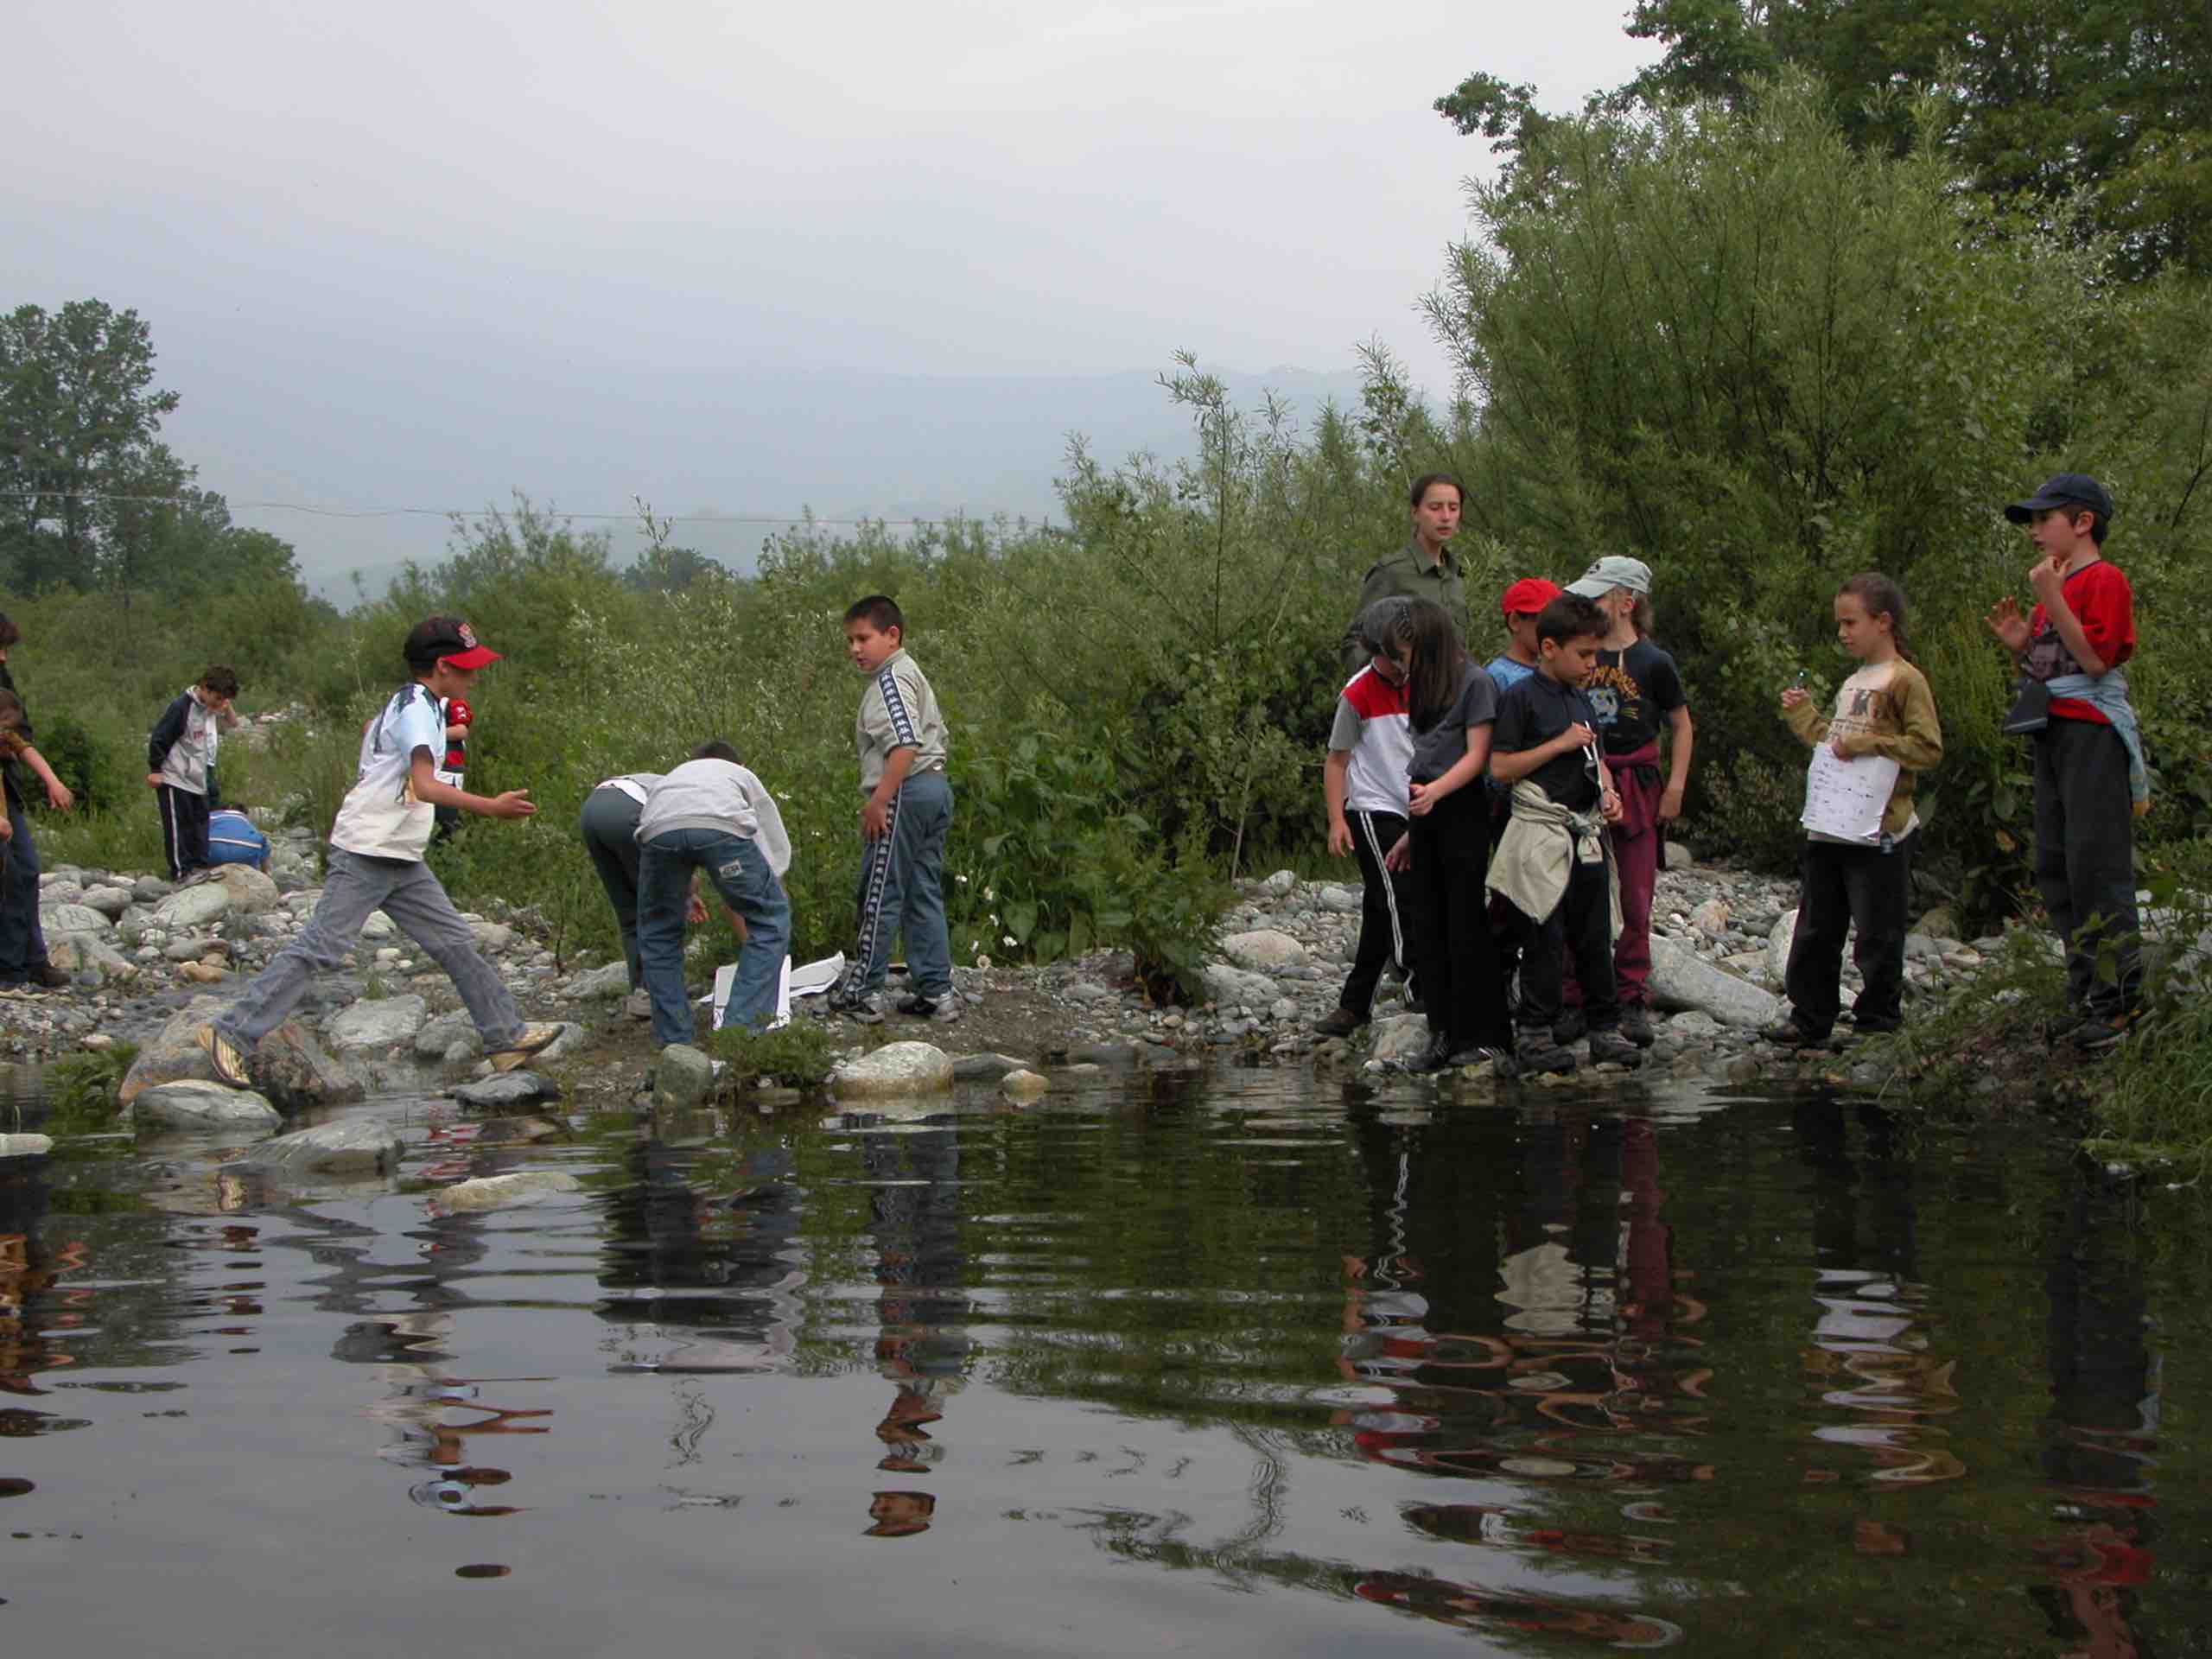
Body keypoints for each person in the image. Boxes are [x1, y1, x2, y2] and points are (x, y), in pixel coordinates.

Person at [197, 617, 561, 1088]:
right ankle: (230, 1033)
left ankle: (506, 1038)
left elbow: (378, 737)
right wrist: (491, 807)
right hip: (367, 849)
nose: (476, 675)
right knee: (321, 948)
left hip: (400, 855)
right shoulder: (415, 708)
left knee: (455, 942)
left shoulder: (419, 703)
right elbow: (426, 786)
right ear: (443, 666)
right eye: (468, 667)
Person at [1984, 474, 2142, 1051]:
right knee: (2056, 861)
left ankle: (2120, 1002)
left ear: (2082, 523)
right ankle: (2085, 993)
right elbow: (2059, 657)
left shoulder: (2104, 579)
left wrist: (2051, 599)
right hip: (2053, 729)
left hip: (2092, 732)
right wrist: (2022, 641)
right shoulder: (2056, 582)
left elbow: (2096, 660)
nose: (2033, 531)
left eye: (2043, 519)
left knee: (2096, 862)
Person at [1764, 574, 1944, 1048]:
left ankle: (1878, 1019)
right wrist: (1804, 717)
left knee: (1878, 929)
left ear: (1883, 622)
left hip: (1881, 827)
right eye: (1839, 623)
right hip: (1831, 824)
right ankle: (1811, 1016)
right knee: (1817, 925)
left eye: (1851, 622)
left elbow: (1927, 748)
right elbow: (1835, 746)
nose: (1843, 632)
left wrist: (1866, 742)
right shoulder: (1852, 681)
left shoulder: (1905, 680)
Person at [1487, 594, 1637, 1077]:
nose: (1592, 665)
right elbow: (1501, 766)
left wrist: (1609, 795)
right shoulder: (1520, 698)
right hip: (1540, 831)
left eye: (1595, 655)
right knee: (1543, 934)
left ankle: (1604, 1028)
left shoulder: (1581, 700)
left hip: (1584, 829)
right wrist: (1559, 744)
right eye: (1584, 655)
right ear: (1549, 647)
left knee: (1594, 935)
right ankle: (1534, 1032)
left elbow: (1596, 762)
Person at [1557, 557, 1692, 1047]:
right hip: (1585, 778)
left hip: (1639, 781)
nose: (1588, 604)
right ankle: (1575, 996)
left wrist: (1675, 787)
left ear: (1626, 602)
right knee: (1581, 886)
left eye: (1597, 596)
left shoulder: (1655, 662)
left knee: (1636, 895)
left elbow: (1681, 722)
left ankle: (1632, 995)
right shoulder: (1580, 656)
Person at [825, 595, 958, 1024]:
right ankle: (936, 992)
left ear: (891, 635)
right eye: (850, 641)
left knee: (879, 891)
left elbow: (905, 742)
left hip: (906, 790)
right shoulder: (909, 672)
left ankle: (863, 991)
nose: (855, 649)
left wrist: (879, 799)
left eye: (863, 638)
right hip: (935, 786)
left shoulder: (890, 681)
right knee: (923, 890)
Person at [1398, 596, 1511, 1072]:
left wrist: (1437, 794)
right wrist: (1412, 828)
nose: (1402, 660)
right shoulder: (1423, 684)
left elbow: (1476, 755)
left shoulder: (1477, 682)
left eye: (1407, 649)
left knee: (1465, 919)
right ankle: (1441, 1031)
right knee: (1427, 922)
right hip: (1425, 809)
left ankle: (1484, 1033)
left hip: (1461, 806)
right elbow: (1423, 751)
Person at [633, 741, 792, 1046]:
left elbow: (665, 826)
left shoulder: (674, 777)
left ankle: (675, 1042)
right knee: (771, 921)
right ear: (740, 764)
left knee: (658, 934)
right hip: (722, 831)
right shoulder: (739, 774)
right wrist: (770, 885)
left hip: (658, 835)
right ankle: (740, 1033)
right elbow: (769, 836)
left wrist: (682, 885)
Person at [1318, 597, 1419, 1038]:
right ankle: (1418, 984)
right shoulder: (1357, 694)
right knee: (1400, 897)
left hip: (1417, 804)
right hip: (1374, 809)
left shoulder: (1427, 684)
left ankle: (1354, 1005)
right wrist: (1337, 820)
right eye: (1391, 657)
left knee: (1381, 907)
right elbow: (1336, 760)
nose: (1399, 667)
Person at [1484, 577, 1563, 1002]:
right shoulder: (1497, 678)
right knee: (1511, 895)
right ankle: (1497, 979)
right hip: (1510, 802)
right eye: (1542, 622)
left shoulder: (1559, 673)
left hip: (1552, 805)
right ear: (1516, 621)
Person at [0, 614, 74, 989]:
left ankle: (33, 961)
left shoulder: (3, 684)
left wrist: (52, 781)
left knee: (26, 871)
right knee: (9, 878)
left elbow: (21, 739)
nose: (3, 658)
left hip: (6, 795)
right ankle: (9, 969)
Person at [1340, 474, 1470, 673]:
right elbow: (1355, 644)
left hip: (1454, 695)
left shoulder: (1455, 575)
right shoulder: (1391, 572)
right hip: (1405, 698)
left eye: (1453, 508)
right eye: (1435, 508)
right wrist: (1388, 680)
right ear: (1415, 512)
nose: (1445, 517)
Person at [146, 664, 241, 885]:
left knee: (199, 823)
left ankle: (199, 866)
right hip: (174, 777)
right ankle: (181, 873)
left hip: (197, 778)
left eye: (224, 700)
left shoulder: (208, 708)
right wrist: (156, 770)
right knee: (178, 826)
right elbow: (160, 737)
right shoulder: (181, 707)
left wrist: (222, 705)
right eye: (218, 698)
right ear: (204, 688)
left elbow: (232, 723)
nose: (221, 704)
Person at [432, 693, 471, 843]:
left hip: (448, 771)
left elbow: (461, 731)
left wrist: (429, 734)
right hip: (426, 769)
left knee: (447, 825)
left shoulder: (452, 701)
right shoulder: (417, 699)